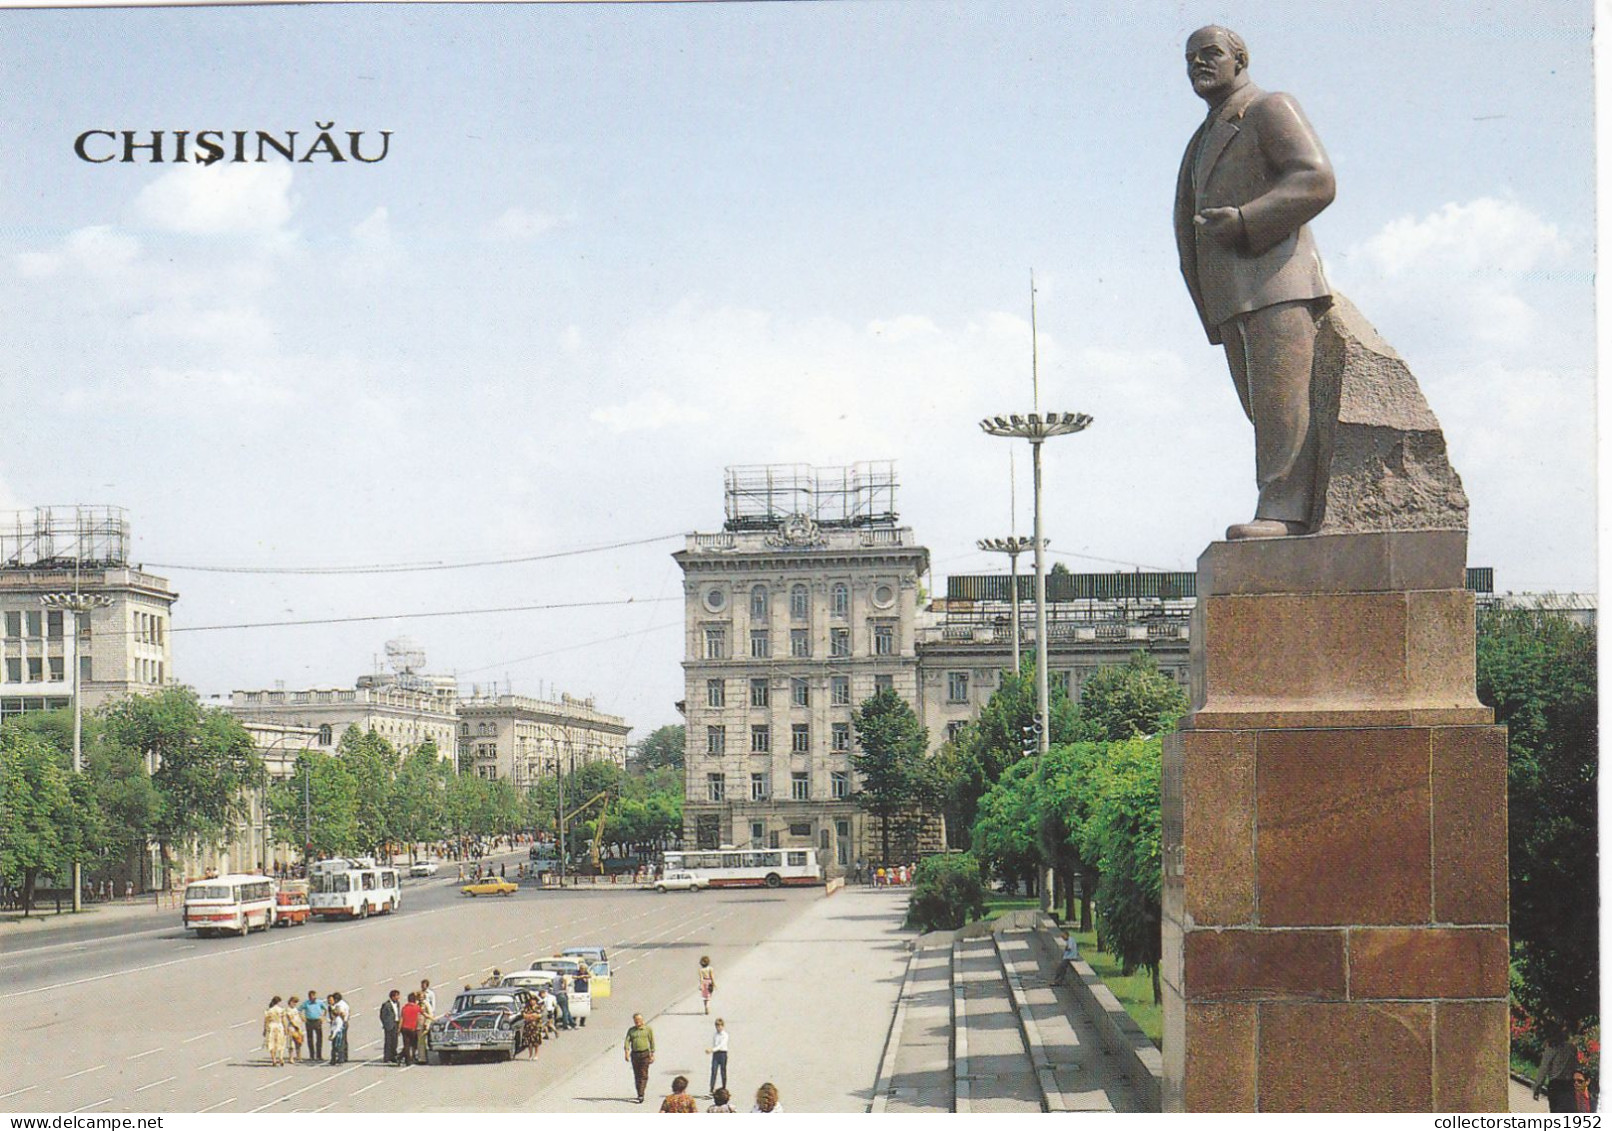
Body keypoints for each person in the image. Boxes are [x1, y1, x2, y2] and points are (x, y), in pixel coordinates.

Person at [1173, 25, 1336, 540]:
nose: (1199, 63)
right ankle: (1289, 506)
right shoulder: (1202, 136)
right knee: (1264, 411)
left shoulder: (1269, 108)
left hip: (1277, 284)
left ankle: (1285, 512)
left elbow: (1316, 179)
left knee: (1282, 407)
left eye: (1211, 53)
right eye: (1190, 57)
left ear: (1239, 59)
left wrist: (1245, 220)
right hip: (1232, 296)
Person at [1535, 1026, 1581, 1112]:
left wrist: (1538, 1086)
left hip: (1555, 1085)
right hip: (1568, 1085)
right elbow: (1575, 1067)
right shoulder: (1572, 1048)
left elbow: (1544, 1068)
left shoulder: (1552, 1047)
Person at [624, 1012, 656, 1103]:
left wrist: (652, 1054)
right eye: (635, 1020)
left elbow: (652, 1041)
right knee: (637, 1075)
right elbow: (627, 1041)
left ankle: (641, 1094)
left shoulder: (648, 1029)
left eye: (639, 1020)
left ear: (642, 1020)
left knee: (643, 1074)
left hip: (645, 1054)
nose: (637, 1022)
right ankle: (639, 1092)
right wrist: (626, 1052)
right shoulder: (631, 1030)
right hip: (635, 1055)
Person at [263, 996, 290, 1067]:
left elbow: (266, 1021)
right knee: (280, 1042)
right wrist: (285, 1029)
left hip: (271, 1026)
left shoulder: (269, 1010)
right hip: (279, 1026)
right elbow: (284, 1020)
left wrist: (265, 1030)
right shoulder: (281, 1010)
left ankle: (274, 1059)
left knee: (271, 1043)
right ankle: (281, 1058)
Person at [705, 1018, 729, 1096]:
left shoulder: (725, 1035)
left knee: (723, 1071)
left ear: (722, 1026)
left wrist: (712, 1050)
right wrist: (713, 1050)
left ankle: (724, 1087)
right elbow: (715, 1044)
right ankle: (711, 1089)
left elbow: (721, 1045)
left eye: (719, 1026)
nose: (718, 1028)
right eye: (717, 1026)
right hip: (716, 1054)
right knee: (714, 1071)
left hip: (722, 1053)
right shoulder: (715, 1034)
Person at [301, 991, 326, 1062]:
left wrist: (323, 1017)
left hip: (317, 1021)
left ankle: (319, 1055)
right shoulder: (306, 1003)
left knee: (319, 1038)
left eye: (313, 996)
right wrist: (302, 1017)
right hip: (309, 1021)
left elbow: (326, 1009)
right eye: (310, 996)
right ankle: (311, 1055)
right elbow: (299, 1010)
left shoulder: (319, 1002)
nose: (312, 998)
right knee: (310, 1039)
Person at [380, 989, 402, 1064]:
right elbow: (382, 1015)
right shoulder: (386, 1004)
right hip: (389, 1025)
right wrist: (386, 1024)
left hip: (396, 1023)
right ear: (393, 996)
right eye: (397, 996)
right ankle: (387, 1057)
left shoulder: (397, 1004)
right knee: (388, 1042)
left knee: (395, 1041)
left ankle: (393, 1056)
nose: (398, 997)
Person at [400, 992, 422, 1065]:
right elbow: (424, 1014)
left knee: (406, 1045)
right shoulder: (416, 1007)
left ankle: (407, 1060)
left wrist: (399, 1029)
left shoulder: (404, 1008)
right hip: (412, 1029)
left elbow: (401, 1019)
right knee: (413, 1044)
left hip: (404, 1028)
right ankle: (410, 1057)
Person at [327, 992, 349, 1065]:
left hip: (340, 1025)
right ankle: (343, 1057)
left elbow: (341, 1013)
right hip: (341, 1023)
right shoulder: (344, 1003)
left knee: (338, 1042)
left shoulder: (339, 1005)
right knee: (343, 1041)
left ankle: (339, 1058)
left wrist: (342, 1020)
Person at [520, 994, 543, 1060]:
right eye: (531, 1000)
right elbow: (524, 1015)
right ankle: (530, 1055)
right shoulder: (527, 1007)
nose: (532, 1002)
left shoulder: (538, 1007)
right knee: (529, 1042)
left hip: (536, 1027)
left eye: (533, 1000)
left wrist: (531, 1016)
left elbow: (539, 1015)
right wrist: (532, 1015)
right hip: (528, 1027)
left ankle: (536, 1055)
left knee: (536, 1042)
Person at [285, 995, 306, 1062]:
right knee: (291, 1043)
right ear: (290, 1002)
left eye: (296, 1002)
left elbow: (300, 1016)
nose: (294, 1004)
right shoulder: (288, 1009)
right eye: (293, 1002)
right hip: (292, 1027)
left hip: (299, 1026)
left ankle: (298, 1056)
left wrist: (302, 1018)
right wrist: (296, 1026)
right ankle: (291, 1058)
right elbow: (290, 1019)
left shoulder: (296, 1009)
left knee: (299, 1042)